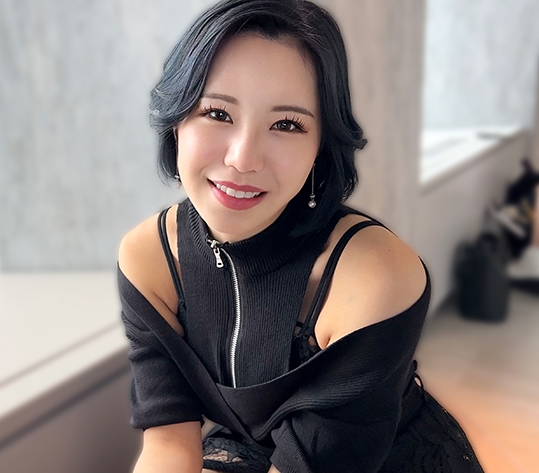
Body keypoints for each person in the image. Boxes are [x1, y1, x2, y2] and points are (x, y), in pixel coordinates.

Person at [116, 0, 485, 471]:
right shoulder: (148, 258)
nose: (243, 159)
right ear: (177, 121)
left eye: (286, 124)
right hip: (253, 449)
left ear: (320, 147)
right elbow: (168, 442)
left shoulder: (376, 277)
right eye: (218, 113)